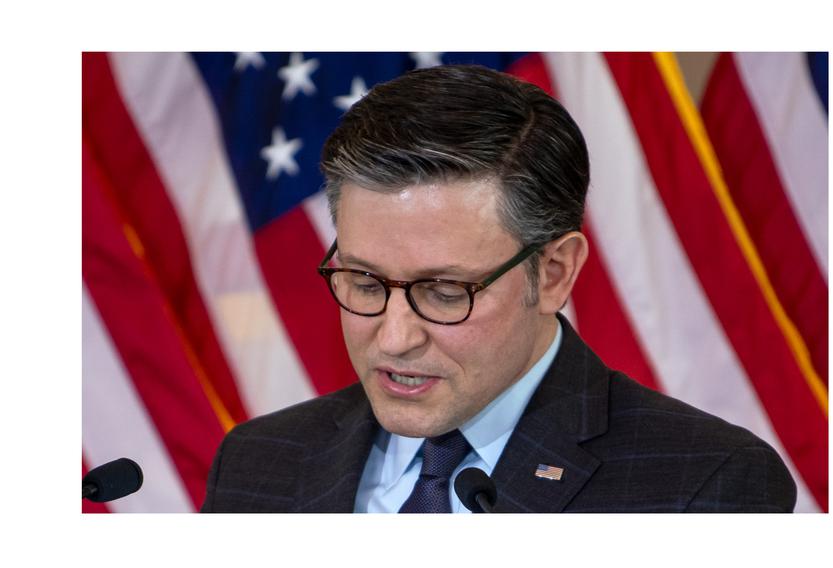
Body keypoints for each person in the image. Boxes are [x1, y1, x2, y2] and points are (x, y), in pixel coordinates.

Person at [201, 64, 796, 513]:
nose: (396, 337)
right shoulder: (257, 464)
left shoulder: (705, 483)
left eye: (443, 291)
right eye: (364, 281)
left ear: (556, 272)